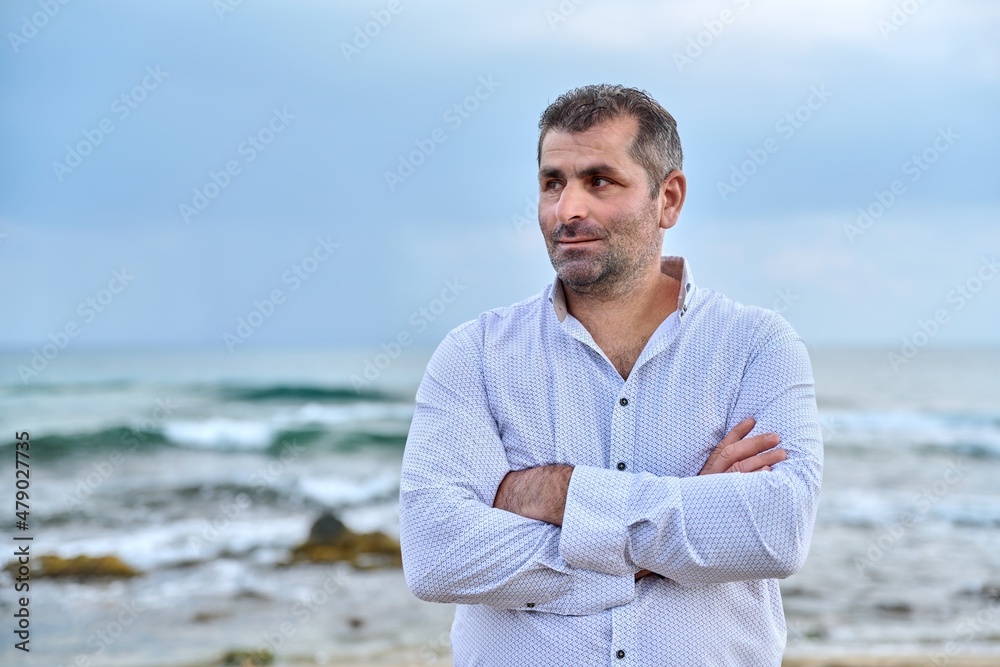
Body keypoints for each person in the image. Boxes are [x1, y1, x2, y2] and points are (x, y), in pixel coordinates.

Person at [399, 84, 823, 666]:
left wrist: (556, 492)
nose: (567, 209)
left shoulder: (756, 345)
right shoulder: (473, 354)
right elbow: (436, 553)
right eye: (553, 183)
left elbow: (776, 530)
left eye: (600, 180)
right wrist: (687, 518)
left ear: (668, 198)